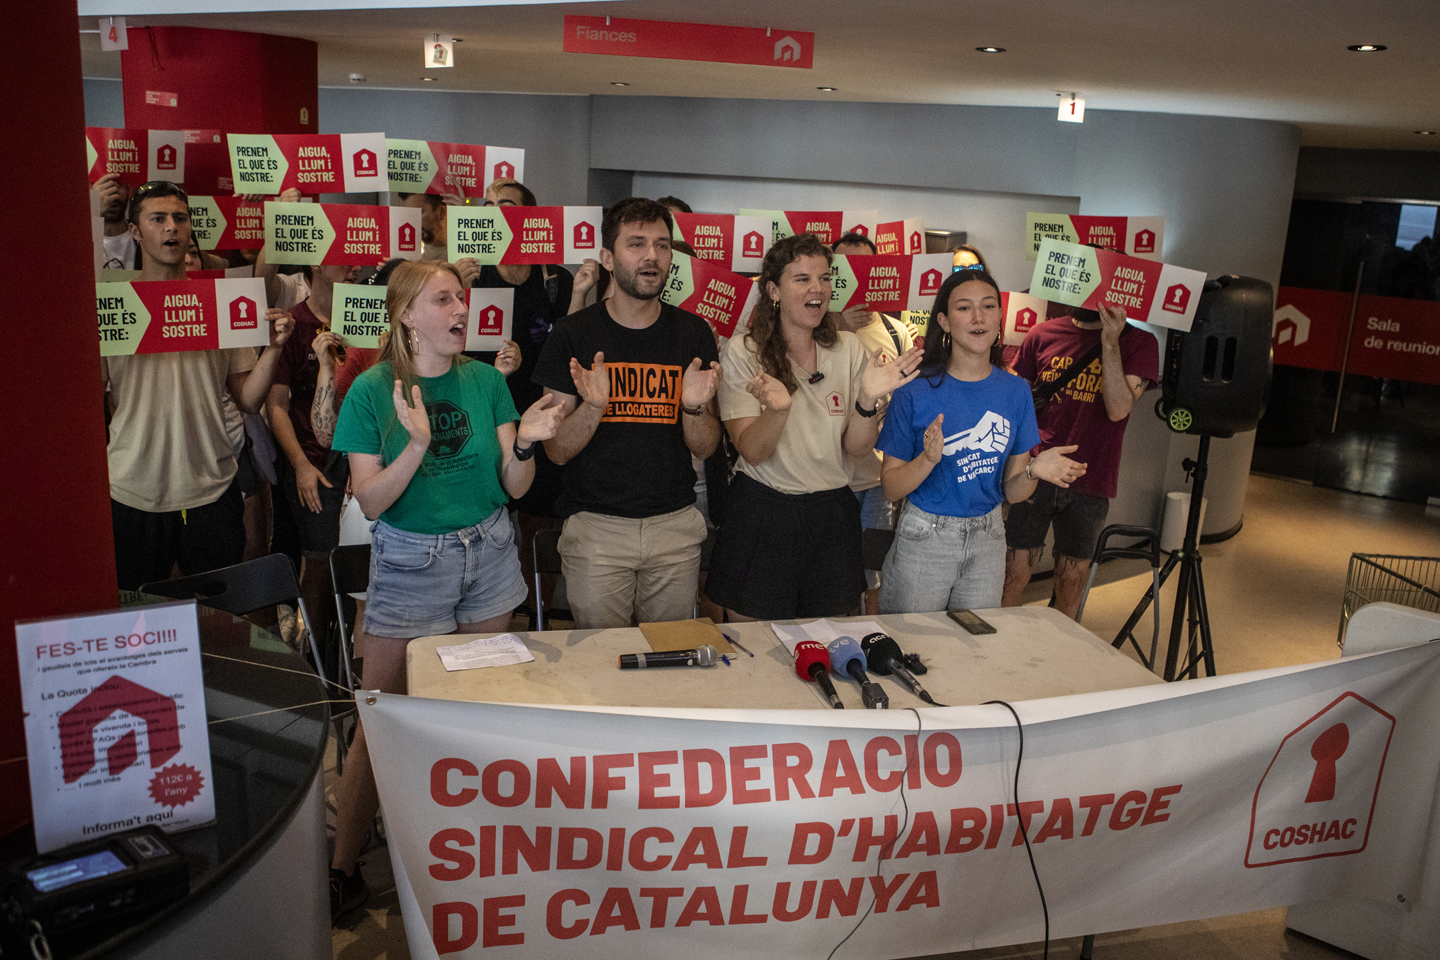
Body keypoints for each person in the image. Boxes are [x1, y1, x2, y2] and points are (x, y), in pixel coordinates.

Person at [327, 259, 563, 921]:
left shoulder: (485, 381)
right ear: (406, 314)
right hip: (411, 563)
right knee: (380, 719)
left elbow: (514, 486)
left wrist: (527, 446)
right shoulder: (371, 391)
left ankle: (460, 859)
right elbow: (371, 502)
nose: (461, 309)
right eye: (442, 300)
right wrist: (416, 445)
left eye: (461, 298)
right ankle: (343, 869)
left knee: (470, 714)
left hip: (488, 554)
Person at [532, 197, 724, 629]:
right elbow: (557, 451)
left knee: (669, 655)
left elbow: (706, 446)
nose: (651, 256)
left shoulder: (693, 333)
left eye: (661, 245)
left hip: (674, 526)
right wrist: (593, 407)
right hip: (596, 529)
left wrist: (692, 406)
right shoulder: (573, 334)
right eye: (636, 244)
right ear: (607, 258)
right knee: (602, 660)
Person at [707, 233, 921, 621]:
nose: (818, 289)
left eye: (824, 278)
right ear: (773, 290)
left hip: (831, 514)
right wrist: (777, 411)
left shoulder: (849, 348)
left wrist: (867, 399)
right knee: (755, 643)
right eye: (802, 278)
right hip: (763, 512)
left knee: (829, 638)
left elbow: (858, 447)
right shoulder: (743, 352)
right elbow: (752, 451)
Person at [104, 181, 293, 590]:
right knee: (136, 615)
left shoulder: (220, 301)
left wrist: (275, 349)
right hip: (132, 488)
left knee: (220, 615)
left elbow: (248, 399)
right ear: (135, 231)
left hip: (211, 487)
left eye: (180, 218)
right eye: (158, 219)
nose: (171, 227)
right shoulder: (113, 302)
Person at [877, 269, 1086, 612]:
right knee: (915, 640)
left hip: (989, 537)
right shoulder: (914, 389)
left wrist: (1033, 470)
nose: (978, 317)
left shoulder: (1015, 391)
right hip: (925, 536)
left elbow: (1013, 492)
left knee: (976, 640)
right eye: (964, 308)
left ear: (1000, 316)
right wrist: (927, 460)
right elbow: (891, 487)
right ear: (944, 321)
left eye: (988, 306)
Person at [1002, 302, 1160, 617]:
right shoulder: (1042, 334)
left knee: (1071, 580)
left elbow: (1118, 409)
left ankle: (1059, 645)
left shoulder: (1139, 342)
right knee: (1013, 574)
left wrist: (1110, 342)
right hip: (1035, 470)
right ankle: (1001, 642)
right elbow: (1014, 404)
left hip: (1091, 477)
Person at [265, 261, 358, 648]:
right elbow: (275, 406)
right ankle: (316, 660)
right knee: (319, 565)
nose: (354, 265)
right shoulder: (294, 323)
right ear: (317, 262)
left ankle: (346, 654)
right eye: (343, 256)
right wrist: (300, 465)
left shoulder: (367, 317)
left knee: (360, 566)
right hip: (315, 462)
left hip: (363, 460)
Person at [832, 231, 917, 612]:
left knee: (873, 573)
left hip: (879, 477)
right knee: (834, 571)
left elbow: (908, 399)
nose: (854, 274)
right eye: (845, 266)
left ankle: (873, 632)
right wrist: (840, 328)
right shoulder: (818, 329)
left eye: (863, 266)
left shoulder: (896, 332)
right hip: (834, 475)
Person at [91, 173, 137, 270]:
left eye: (118, 184)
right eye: (102, 187)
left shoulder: (143, 237)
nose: (110, 194)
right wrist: (94, 210)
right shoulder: (78, 239)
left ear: (129, 190)